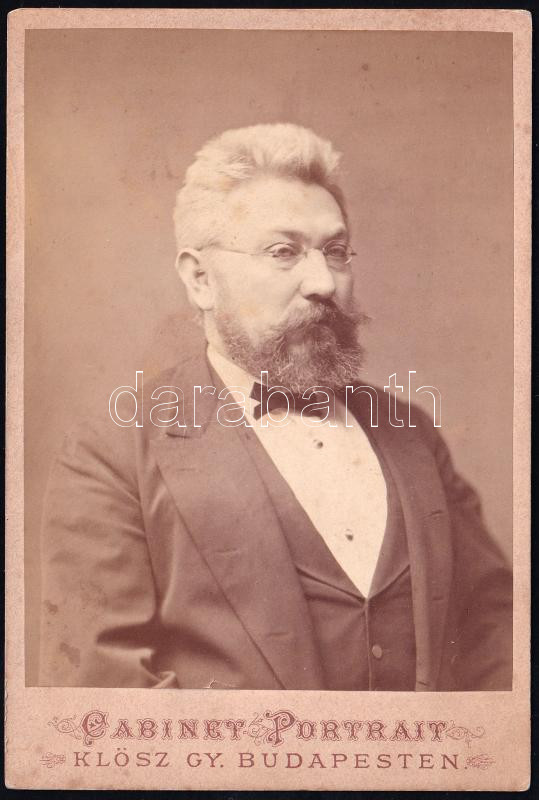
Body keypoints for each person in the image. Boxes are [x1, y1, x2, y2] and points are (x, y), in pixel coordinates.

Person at [39, 123, 512, 690]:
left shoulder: (410, 431)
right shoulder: (112, 452)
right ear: (200, 279)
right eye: (283, 252)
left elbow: (494, 633)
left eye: (335, 252)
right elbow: (101, 692)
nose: (323, 282)